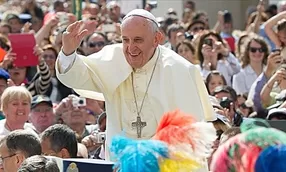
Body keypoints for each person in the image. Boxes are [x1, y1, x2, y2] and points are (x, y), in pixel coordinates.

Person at [55, 9, 215, 161]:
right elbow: (76, 76)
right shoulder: (112, 58)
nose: (131, 48)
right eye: (125, 40)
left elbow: (191, 130)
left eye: (138, 40)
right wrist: (68, 53)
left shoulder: (178, 70)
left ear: (157, 39)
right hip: (121, 162)